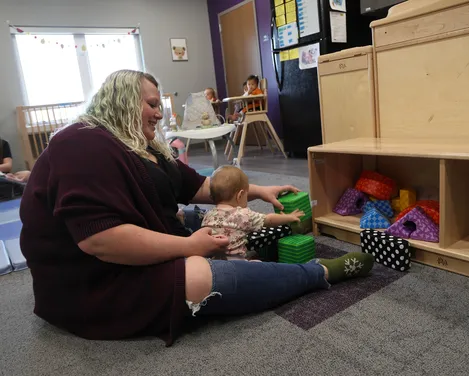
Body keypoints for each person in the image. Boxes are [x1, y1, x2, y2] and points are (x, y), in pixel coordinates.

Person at [20, 69, 374, 346]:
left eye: (160, 105)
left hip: (134, 243)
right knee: (199, 275)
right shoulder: (83, 143)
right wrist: (191, 247)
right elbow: (101, 241)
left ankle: (256, 236)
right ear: (122, 102)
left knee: (202, 215)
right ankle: (317, 273)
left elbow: (200, 187)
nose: (159, 114)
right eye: (151, 104)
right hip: (97, 280)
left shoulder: (142, 146)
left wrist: (257, 190)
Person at [202, 165, 304, 260]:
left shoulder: (207, 216)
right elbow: (269, 220)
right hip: (237, 265)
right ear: (240, 195)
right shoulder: (243, 215)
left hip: (213, 266)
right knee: (257, 263)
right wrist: (290, 217)